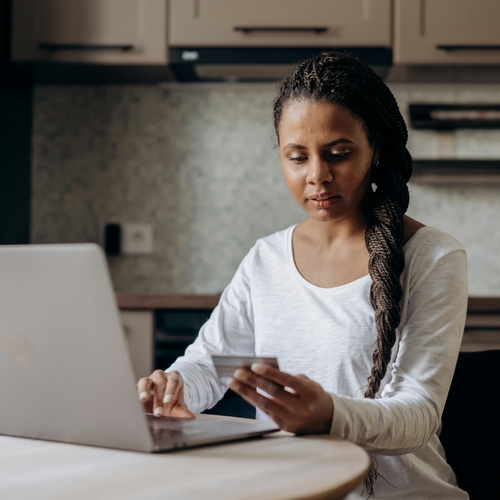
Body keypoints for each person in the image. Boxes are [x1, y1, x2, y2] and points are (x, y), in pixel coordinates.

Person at [136, 52, 468, 499]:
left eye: (339, 154)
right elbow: (212, 365)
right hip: (291, 491)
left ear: (377, 150)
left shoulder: (432, 256)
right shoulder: (266, 259)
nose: (317, 176)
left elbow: (417, 414)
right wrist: (173, 388)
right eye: (297, 157)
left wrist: (329, 414)